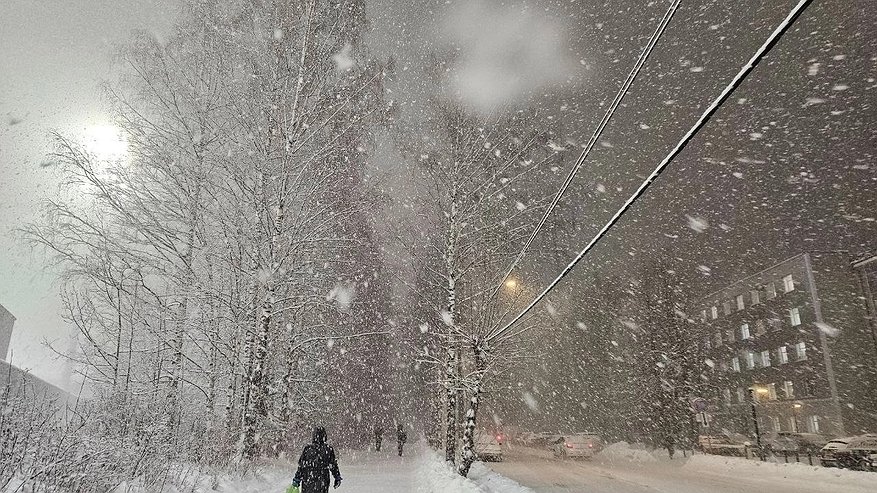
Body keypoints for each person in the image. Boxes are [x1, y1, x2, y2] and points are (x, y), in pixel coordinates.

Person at [291, 426, 342, 493]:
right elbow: (333, 465)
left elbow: (301, 466)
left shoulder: (307, 449)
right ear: (324, 436)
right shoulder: (328, 449)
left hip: (308, 480)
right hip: (323, 480)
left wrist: (297, 479)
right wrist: (337, 477)